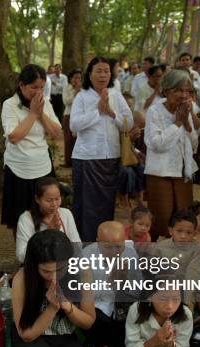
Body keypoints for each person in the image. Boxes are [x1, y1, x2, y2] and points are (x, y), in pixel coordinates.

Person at [70, 57, 133, 241]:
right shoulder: (82, 96)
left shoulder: (116, 95)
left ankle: (106, 244)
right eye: (98, 71)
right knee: (87, 207)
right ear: (89, 74)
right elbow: (74, 126)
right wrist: (97, 111)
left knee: (106, 205)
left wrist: (112, 113)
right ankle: (85, 247)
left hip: (111, 157)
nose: (103, 74)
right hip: (87, 158)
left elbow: (128, 123)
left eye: (106, 71)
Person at [144, 69, 200, 240]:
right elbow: (156, 144)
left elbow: (193, 145)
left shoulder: (187, 109)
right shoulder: (155, 111)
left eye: (187, 90)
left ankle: (180, 259)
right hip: (160, 173)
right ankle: (158, 261)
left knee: (183, 219)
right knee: (162, 221)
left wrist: (186, 122)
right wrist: (177, 123)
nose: (183, 94)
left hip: (182, 172)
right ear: (166, 90)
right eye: (179, 90)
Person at [1, 64, 62, 233]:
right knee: (20, 217)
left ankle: (46, 253)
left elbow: (57, 133)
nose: (38, 92)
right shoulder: (10, 105)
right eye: (34, 87)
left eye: (42, 87)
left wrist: (41, 113)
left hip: (42, 166)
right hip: (18, 168)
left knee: (47, 213)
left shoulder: (45, 104)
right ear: (21, 85)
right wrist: (33, 114)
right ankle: (24, 256)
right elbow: (13, 137)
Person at [82, 221, 141, 347]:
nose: (115, 252)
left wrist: (125, 281)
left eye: (119, 246)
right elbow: (84, 294)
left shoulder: (130, 253)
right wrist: (110, 284)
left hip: (122, 306)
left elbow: (138, 290)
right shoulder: (86, 256)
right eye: (108, 247)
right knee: (92, 321)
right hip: (97, 307)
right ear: (98, 242)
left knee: (139, 315)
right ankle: (105, 345)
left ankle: (109, 344)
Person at [15, 177, 80, 264]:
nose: (54, 204)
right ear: (37, 199)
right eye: (49, 200)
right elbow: (21, 256)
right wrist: (48, 234)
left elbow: (77, 247)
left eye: (57, 199)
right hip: (37, 267)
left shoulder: (66, 214)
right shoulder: (26, 219)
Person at [61, 69, 81, 167]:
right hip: (68, 115)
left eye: (79, 78)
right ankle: (68, 162)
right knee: (68, 139)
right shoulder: (66, 88)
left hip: (79, 116)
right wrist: (75, 93)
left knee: (78, 139)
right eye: (75, 77)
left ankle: (76, 161)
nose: (77, 80)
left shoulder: (83, 89)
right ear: (71, 79)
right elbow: (66, 101)